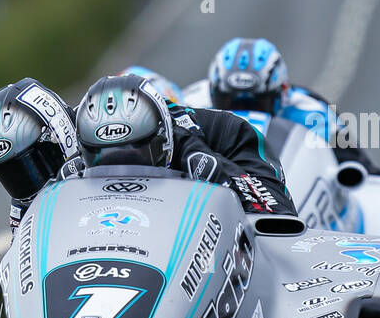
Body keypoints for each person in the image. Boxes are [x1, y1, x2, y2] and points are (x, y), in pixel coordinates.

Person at [75, 72, 296, 215]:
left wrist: (221, 176)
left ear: (165, 140)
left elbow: (279, 219)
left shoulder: (229, 132)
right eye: (103, 159)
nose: (122, 173)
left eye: (137, 155)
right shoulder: (73, 151)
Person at [199, 36, 380, 174]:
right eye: (229, 100)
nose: (242, 112)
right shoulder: (192, 102)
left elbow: (357, 166)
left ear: (282, 92)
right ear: (212, 90)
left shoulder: (313, 113)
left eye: (257, 101)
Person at [0, 77, 83, 230]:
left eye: (32, 165)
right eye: (11, 175)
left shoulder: (103, 142)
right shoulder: (21, 210)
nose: (26, 187)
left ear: (58, 134)